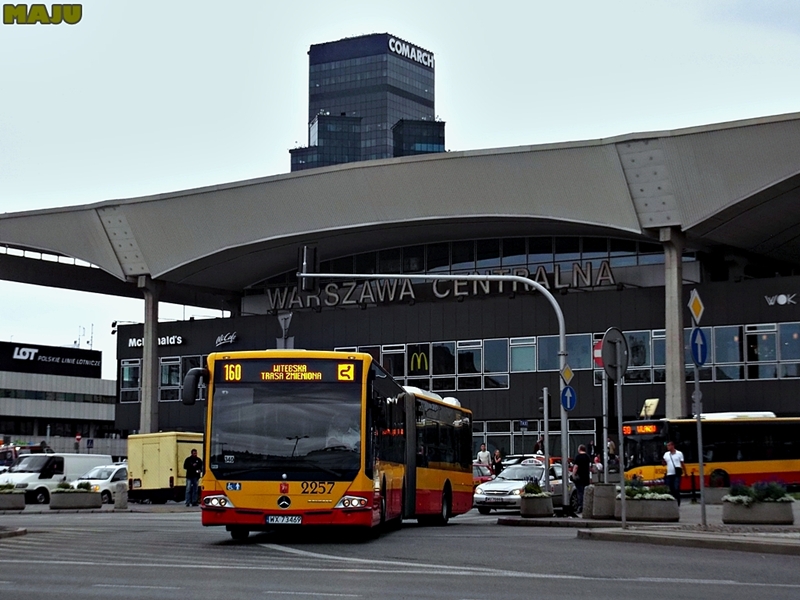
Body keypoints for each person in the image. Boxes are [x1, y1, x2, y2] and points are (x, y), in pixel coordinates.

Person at [662, 440, 686, 505]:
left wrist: (685, 472)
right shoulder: (666, 454)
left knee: (676, 487)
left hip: (677, 473)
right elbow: (664, 463)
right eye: (667, 446)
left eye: (669, 445)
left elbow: (682, 463)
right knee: (670, 488)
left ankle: (678, 502)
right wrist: (663, 463)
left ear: (673, 446)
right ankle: (672, 502)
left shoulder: (679, 453)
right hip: (669, 474)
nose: (667, 447)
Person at [571, 444, 591, 514]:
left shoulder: (578, 457)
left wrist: (573, 475)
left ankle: (580, 507)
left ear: (579, 449)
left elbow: (576, 467)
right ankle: (586, 507)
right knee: (585, 492)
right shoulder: (587, 457)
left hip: (579, 478)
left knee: (580, 492)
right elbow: (589, 467)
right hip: (586, 477)